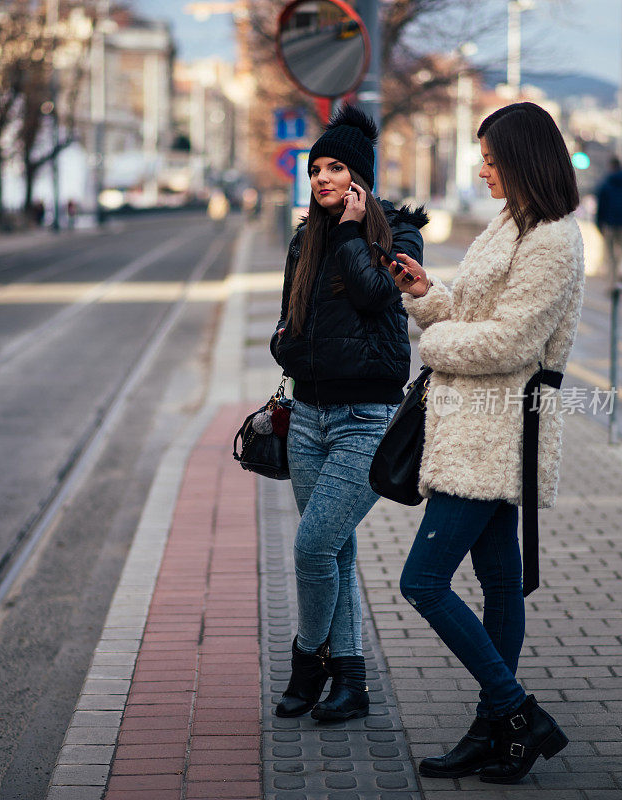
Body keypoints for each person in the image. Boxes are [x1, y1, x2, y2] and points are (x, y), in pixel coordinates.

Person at [384, 101, 584, 783]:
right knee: (499, 584)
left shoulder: (555, 239)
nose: (483, 171)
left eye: (493, 161)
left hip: (497, 429)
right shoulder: (507, 225)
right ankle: (495, 734)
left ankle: (516, 713)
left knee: (422, 581)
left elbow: (511, 340)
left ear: (526, 162)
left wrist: (433, 342)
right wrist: (423, 291)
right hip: (468, 420)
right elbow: (472, 314)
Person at [270, 105, 427, 722]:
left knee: (312, 548)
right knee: (335, 551)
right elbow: (291, 311)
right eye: (315, 170)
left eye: (336, 168)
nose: (323, 179)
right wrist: (285, 342)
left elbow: (372, 295)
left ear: (360, 177)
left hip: (366, 419)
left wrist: (347, 233)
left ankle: (308, 662)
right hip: (308, 415)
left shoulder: (401, 235)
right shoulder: (302, 237)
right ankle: (351, 680)